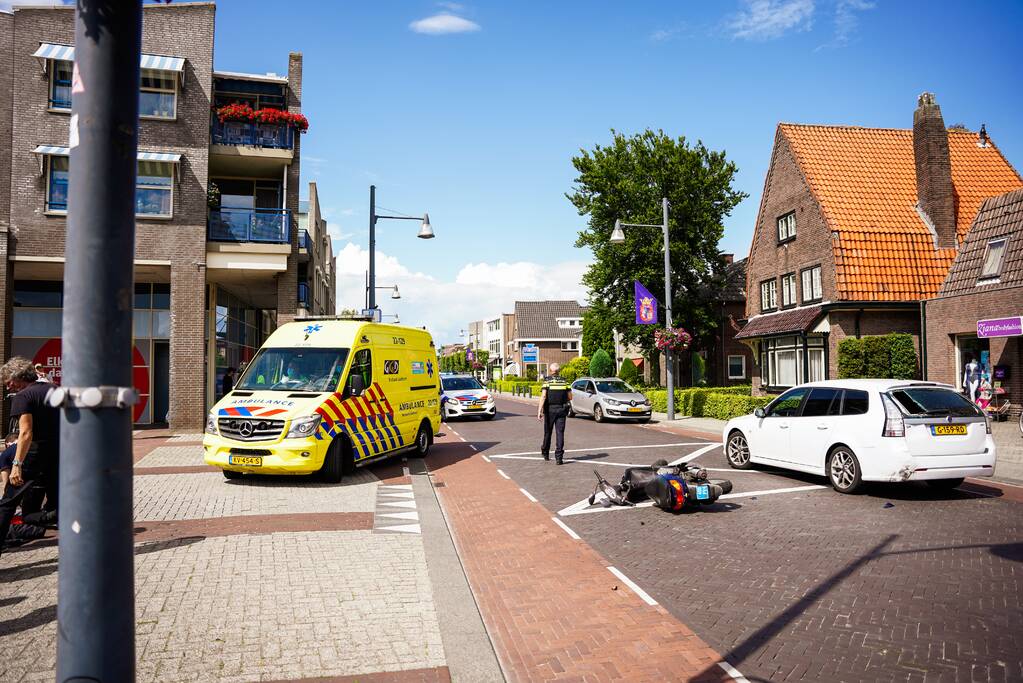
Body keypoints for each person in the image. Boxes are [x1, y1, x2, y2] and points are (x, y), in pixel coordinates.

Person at [0, 356, 61, 558]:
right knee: (56, 502)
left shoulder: (24, 397)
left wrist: (16, 464)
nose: (8, 387)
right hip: (58, 455)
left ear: (18, 377)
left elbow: (26, 433)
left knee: (8, 502)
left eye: (9, 382)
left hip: (33, 456)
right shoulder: (55, 390)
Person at [537, 362, 572, 465]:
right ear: (559, 371)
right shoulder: (565, 381)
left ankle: (545, 452)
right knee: (560, 433)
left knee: (548, 432)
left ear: (551, 371)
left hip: (549, 410)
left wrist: (539, 410)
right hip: (562, 410)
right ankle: (559, 458)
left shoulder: (547, 381)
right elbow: (570, 397)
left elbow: (543, 396)